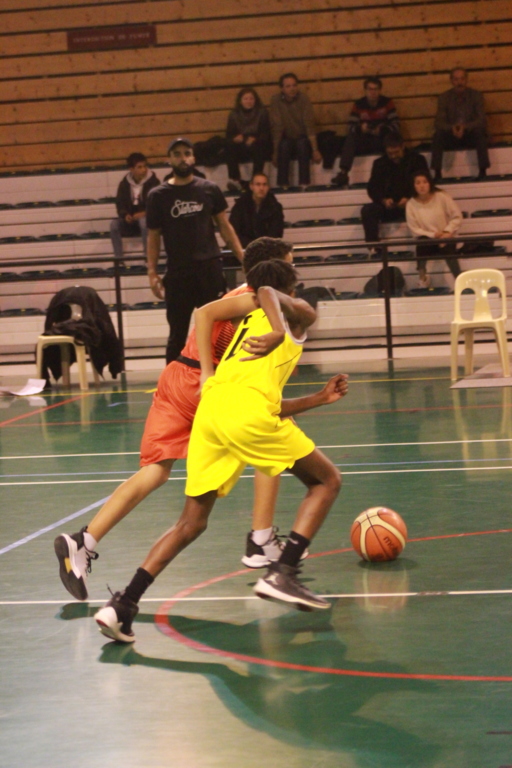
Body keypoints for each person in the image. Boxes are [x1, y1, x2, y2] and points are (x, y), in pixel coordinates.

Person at [54, 238, 346, 601]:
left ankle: (84, 540)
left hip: (176, 374)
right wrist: (208, 372)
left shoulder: (245, 296)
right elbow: (211, 312)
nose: (294, 270)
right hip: (202, 384)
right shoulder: (255, 299)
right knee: (270, 433)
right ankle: (261, 538)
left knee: (156, 470)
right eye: (290, 263)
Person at [145, 137, 244, 364]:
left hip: (209, 270)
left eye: (187, 153)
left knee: (218, 331)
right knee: (177, 334)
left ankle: (221, 379)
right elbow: (153, 236)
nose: (183, 158)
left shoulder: (209, 189)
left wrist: (242, 257)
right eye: (177, 154)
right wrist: (151, 271)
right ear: (169, 159)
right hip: (178, 274)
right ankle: (172, 383)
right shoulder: (157, 196)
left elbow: (225, 226)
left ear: (193, 157)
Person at [361, 134, 429, 255]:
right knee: (368, 210)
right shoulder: (379, 163)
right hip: (388, 206)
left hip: (413, 204)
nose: (393, 156)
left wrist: (410, 198)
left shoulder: (417, 160)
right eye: (390, 153)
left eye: (396, 152)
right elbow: (372, 188)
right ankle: (373, 246)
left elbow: (426, 184)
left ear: (403, 146)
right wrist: (383, 200)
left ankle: (426, 244)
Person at [332, 77, 400, 187]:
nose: (373, 92)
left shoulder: (387, 102)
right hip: (365, 140)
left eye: (375, 89)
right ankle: (343, 173)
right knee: (351, 138)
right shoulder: (359, 104)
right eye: (370, 89)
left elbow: (396, 125)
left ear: (380, 90)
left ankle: (394, 174)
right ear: (365, 90)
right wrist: (361, 129)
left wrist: (382, 130)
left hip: (382, 140)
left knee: (392, 138)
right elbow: (350, 127)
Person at [431, 68, 490, 181]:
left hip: (470, 134)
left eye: (462, 79)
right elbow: (438, 122)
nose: (459, 82)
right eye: (456, 79)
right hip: (451, 135)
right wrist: (452, 128)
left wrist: (465, 127)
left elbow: (482, 120)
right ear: (451, 81)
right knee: (438, 135)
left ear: (466, 80)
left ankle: (483, 170)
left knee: (480, 133)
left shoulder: (476, 96)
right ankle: (437, 172)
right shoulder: (444, 97)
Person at [406, 171, 462, 288]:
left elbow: (457, 216)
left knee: (448, 248)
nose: (422, 186)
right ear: (413, 185)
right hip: (428, 239)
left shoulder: (442, 196)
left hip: (445, 236)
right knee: (421, 244)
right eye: (418, 183)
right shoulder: (411, 204)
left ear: (430, 183)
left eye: (424, 182)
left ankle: (460, 280)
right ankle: (422, 279)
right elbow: (414, 229)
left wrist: (447, 231)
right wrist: (433, 235)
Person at [270, 73, 322, 188]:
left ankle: (304, 183)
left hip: (301, 136)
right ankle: (283, 184)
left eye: (294, 85)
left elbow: (309, 125)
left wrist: (315, 149)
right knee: (283, 146)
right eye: (288, 86)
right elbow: (277, 128)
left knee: (302, 145)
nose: (292, 89)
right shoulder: (276, 101)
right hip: (285, 137)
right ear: (282, 88)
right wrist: (275, 152)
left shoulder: (304, 99)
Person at [110, 152, 159, 264]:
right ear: (131, 169)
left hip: (148, 220)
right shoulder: (124, 184)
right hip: (131, 220)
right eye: (139, 167)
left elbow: (157, 205)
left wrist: (144, 213)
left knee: (143, 222)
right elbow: (120, 204)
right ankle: (119, 259)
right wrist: (125, 215)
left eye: (144, 166)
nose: (144, 170)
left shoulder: (154, 183)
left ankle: (148, 258)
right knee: (114, 225)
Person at [225, 87, 272, 193]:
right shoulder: (234, 114)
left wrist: (256, 139)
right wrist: (235, 139)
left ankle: (256, 180)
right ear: (240, 101)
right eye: (245, 99)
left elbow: (266, 133)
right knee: (230, 147)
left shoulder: (262, 112)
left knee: (259, 148)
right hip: (241, 143)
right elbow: (229, 135)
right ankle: (235, 180)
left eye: (251, 98)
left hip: (258, 141)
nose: (248, 101)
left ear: (255, 100)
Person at [229, 173, 284, 248]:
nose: (261, 188)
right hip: (244, 248)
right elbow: (233, 231)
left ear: (268, 187)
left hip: (267, 249)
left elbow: (276, 233)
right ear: (251, 186)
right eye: (258, 184)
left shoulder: (276, 207)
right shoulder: (240, 206)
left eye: (264, 184)